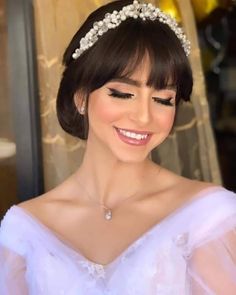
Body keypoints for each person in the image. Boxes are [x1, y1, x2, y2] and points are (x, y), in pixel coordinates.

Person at [0, 0, 236, 294]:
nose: (143, 117)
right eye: (122, 94)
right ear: (81, 96)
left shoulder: (207, 216)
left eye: (163, 99)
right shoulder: (25, 229)